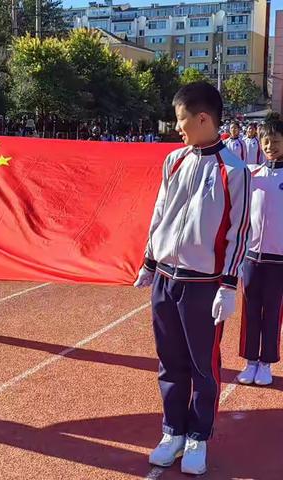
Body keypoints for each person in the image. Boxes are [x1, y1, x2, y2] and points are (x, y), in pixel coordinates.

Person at [134, 82, 250, 475]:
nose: (176, 127)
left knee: (203, 365)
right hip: (167, 277)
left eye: (181, 120)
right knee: (170, 361)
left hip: (203, 285)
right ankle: (173, 431)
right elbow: (160, 213)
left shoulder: (233, 170)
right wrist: (149, 261)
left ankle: (199, 435)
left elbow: (238, 231)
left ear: (203, 119)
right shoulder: (173, 160)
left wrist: (229, 285)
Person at [237, 118, 283, 386]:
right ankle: (250, 360)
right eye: (266, 141)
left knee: (273, 311)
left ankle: (266, 363)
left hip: (279, 260)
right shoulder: (252, 175)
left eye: (276, 141)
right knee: (251, 311)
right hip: (252, 258)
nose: (270, 146)